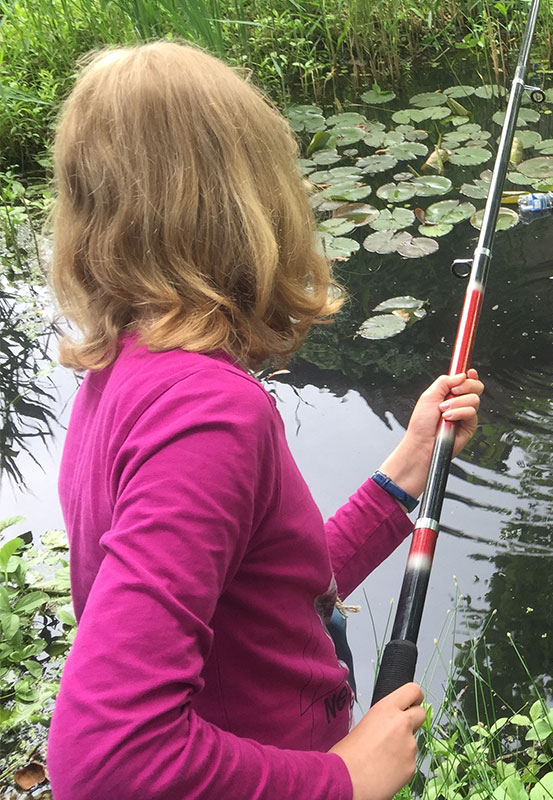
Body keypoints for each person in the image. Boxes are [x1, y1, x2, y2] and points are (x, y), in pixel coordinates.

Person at [45, 42, 484, 800]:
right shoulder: (209, 413)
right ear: (241, 203)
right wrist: (342, 777)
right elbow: (104, 758)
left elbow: (269, 591)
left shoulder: (120, 375)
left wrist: (410, 463)